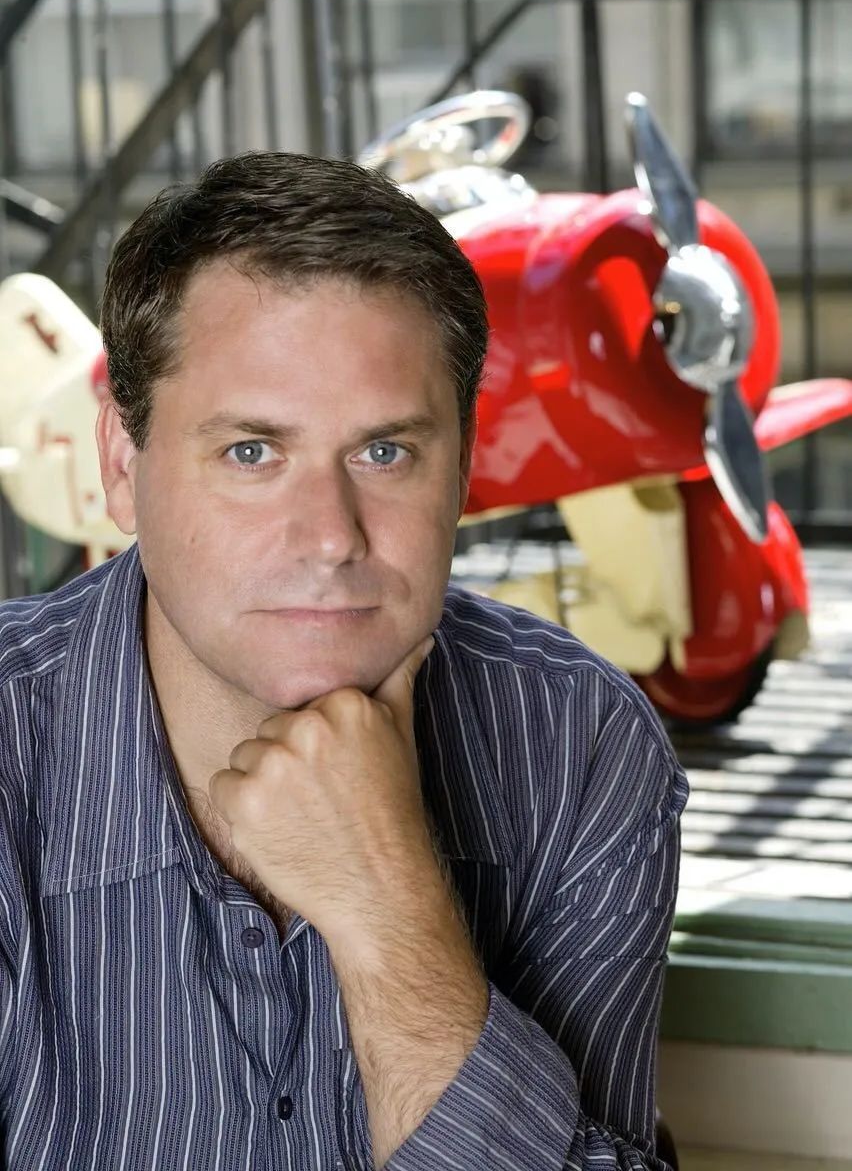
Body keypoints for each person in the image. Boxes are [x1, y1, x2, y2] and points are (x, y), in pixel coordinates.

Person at [0, 151, 688, 1170]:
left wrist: (389, 911)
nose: (330, 537)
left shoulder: (580, 743)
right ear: (120, 465)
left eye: (384, 452)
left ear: (463, 468)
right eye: (251, 452)